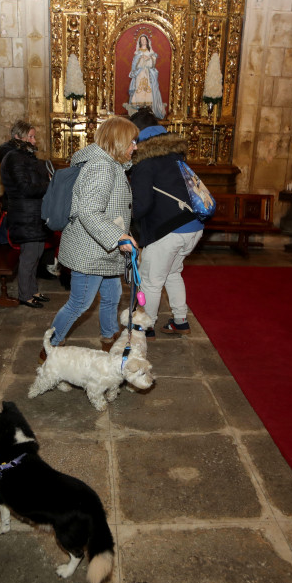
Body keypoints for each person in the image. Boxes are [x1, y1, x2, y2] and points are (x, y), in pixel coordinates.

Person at [43, 116, 139, 360]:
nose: (135, 147)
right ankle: (50, 348)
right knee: (80, 303)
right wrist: (118, 236)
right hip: (90, 250)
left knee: (112, 296)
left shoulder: (110, 164)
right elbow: (88, 211)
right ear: (118, 142)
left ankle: (109, 338)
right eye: (132, 142)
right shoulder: (102, 167)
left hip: (102, 250)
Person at [128, 109, 203, 336]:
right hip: (194, 225)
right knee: (172, 273)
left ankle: (144, 328)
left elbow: (142, 205)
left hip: (168, 231)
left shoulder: (145, 162)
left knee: (151, 281)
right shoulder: (175, 155)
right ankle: (180, 321)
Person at [0, 120, 52, 308]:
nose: (34, 140)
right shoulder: (14, 157)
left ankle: (33, 290)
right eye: (31, 136)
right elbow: (26, 188)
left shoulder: (23, 156)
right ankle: (24, 295)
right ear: (18, 137)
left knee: (36, 254)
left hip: (32, 213)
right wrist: (50, 184)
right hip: (24, 214)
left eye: (34, 136)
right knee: (28, 257)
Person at [128, 34, 166, 119]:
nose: (143, 41)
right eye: (142, 40)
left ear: (147, 41)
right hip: (140, 73)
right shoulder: (137, 52)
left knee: (149, 89)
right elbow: (135, 64)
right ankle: (140, 108)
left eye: (144, 40)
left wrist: (148, 59)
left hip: (148, 73)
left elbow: (153, 63)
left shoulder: (151, 52)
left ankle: (148, 109)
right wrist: (141, 58)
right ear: (140, 42)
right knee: (140, 89)